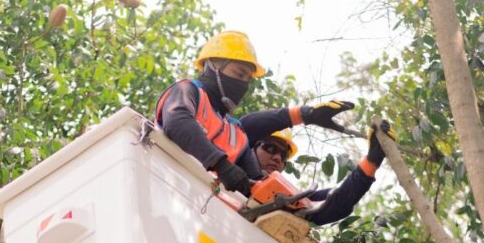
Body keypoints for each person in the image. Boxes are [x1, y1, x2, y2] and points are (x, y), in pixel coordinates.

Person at [153, 30, 356, 197]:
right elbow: (177, 121)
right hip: (161, 185)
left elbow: (262, 190)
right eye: (239, 74)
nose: (243, 84)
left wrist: (347, 189)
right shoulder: (188, 91)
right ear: (212, 66)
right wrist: (220, 164)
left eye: (248, 79)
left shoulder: (236, 133)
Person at [251, 124, 394, 226]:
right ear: (252, 147)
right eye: (270, 148)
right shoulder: (231, 168)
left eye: (283, 156)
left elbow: (339, 200)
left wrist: (372, 161)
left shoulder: (288, 199)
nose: (277, 158)